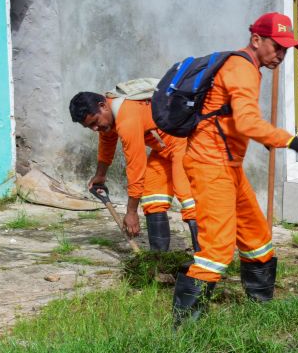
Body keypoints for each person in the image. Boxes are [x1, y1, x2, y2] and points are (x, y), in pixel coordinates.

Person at [173, 12, 298, 323]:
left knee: (257, 237)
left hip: (228, 165)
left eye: (286, 50)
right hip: (209, 165)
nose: (281, 55)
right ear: (256, 40)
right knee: (217, 249)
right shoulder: (242, 68)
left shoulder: (249, 67)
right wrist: (293, 141)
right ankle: (184, 330)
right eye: (277, 47)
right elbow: (247, 122)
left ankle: (260, 311)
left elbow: (237, 121)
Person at [69, 92, 200, 252]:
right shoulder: (110, 113)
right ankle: (159, 261)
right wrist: (100, 175)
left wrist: (131, 212)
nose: (95, 129)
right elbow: (107, 141)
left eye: (95, 122)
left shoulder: (127, 119)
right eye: (89, 126)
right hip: (163, 150)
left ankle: (205, 262)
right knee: (153, 199)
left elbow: (136, 167)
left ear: (102, 106)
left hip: (184, 144)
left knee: (188, 200)